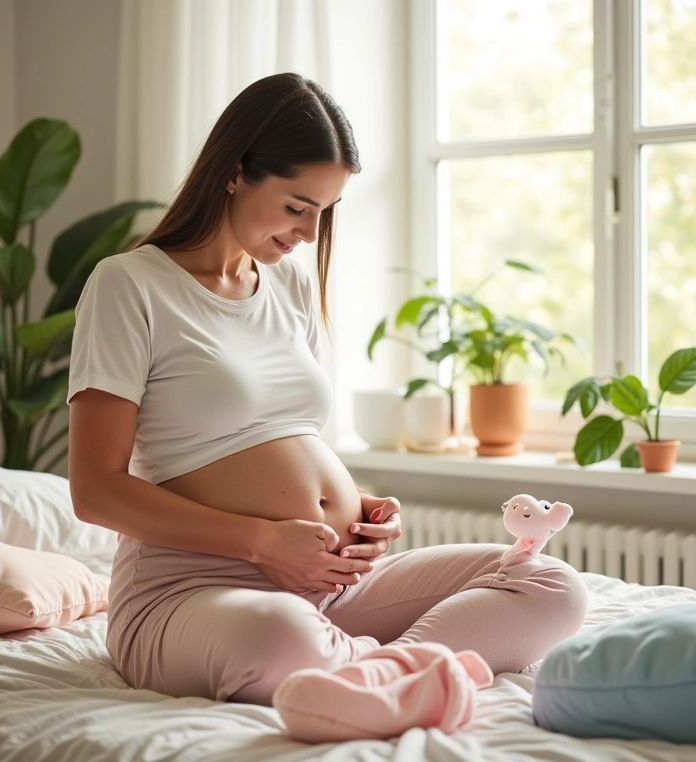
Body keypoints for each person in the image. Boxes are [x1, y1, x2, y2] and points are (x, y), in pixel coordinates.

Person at [67, 72, 588, 708]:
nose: (310, 234)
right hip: (191, 590)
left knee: (551, 584)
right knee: (281, 636)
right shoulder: (129, 285)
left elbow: (285, 438)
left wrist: (360, 508)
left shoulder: (286, 285)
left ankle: (379, 674)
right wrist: (263, 541)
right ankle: (386, 669)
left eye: (325, 212)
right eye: (296, 207)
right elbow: (95, 491)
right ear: (234, 172)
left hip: (330, 585)